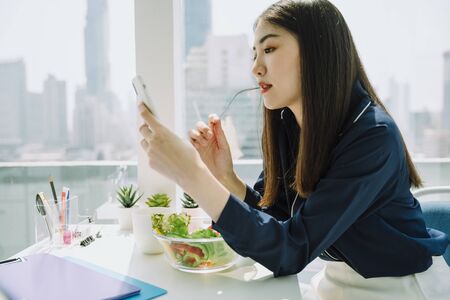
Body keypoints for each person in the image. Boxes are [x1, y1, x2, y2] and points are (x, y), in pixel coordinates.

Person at [137, 0, 450, 299]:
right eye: (254, 54)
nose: (256, 68)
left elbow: (291, 250)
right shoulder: (291, 124)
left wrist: (192, 175)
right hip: (338, 280)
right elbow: (277, 217)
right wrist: (226, 178)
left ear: (317, 53)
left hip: (401, 289)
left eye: (270, 49)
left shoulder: (372, 136)